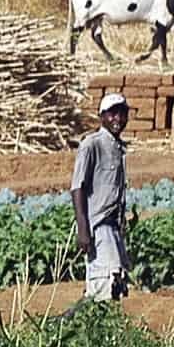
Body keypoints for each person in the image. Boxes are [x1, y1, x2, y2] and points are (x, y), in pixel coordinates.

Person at [71, 90, 131, 300]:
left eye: (122, 114)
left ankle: (101, 327)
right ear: (102, 117)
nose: (118, 119)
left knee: (118, 282)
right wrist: (83, 228)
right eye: (112, 114)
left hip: (113, 226)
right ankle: (71, 324)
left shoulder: (119, 148)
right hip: (98, 226)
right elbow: (77, 187)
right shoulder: (91, 144)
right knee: (105, 281)